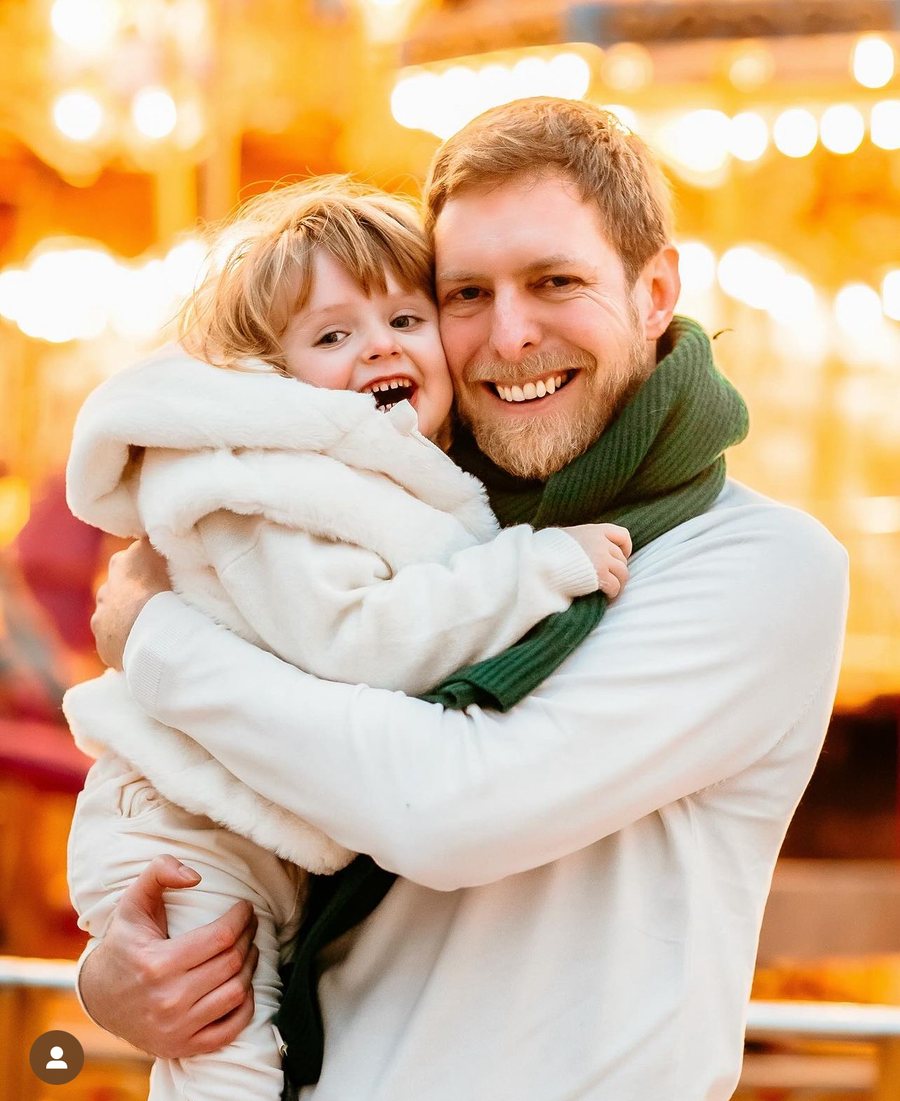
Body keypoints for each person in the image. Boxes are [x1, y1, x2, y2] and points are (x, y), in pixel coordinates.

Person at [78, 98, 848, 1101]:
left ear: (655, 290)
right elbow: (234, 799)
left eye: (555, 281)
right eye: (466, 294)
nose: (510, 334)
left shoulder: (755, 562)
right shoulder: (404, 525)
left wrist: (159, 640)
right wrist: (124, 975)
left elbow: (445, 808)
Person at [63, 176, 631, 1100]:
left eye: (406, 319)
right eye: (331, 336)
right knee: (225, 1063)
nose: (379, 346)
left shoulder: (395, 471)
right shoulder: (269, 489)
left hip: (262, 835)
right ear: (276, 376)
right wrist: (533, 568)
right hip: (187, 830)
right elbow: (359, 643)